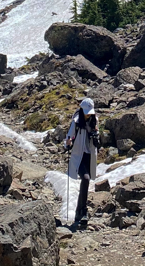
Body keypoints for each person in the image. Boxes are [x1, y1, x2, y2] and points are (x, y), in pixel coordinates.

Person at [65, 97, 99, 226]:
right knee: (85, 179)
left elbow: (97, 138)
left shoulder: (94, 120)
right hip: (78, 156)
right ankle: (82, 211)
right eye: (86, 111)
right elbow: (69, 137)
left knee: (86, 180)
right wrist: (68, 144)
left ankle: (80, 212)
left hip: (89, 155)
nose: (88, 114)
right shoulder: (76, 121)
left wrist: (96, 136)